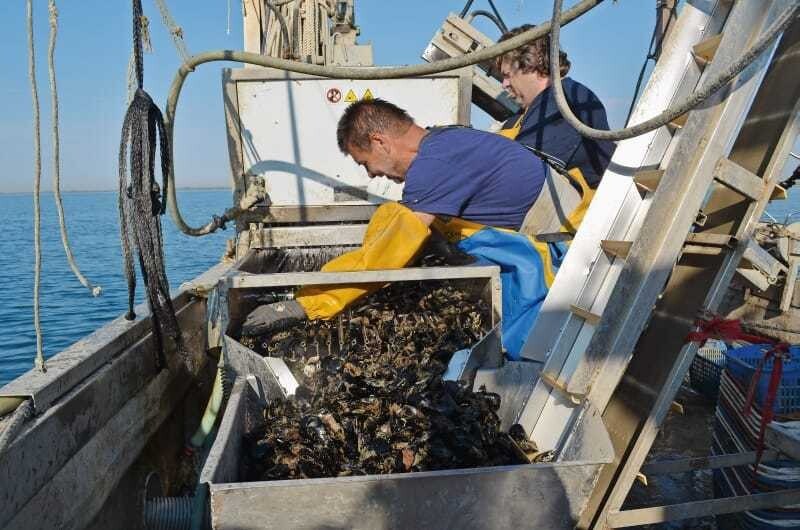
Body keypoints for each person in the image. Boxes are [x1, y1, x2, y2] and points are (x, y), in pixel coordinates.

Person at [243, 98, 577, 358]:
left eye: (364, 163)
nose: (371, 174)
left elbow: (385, 258)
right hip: (542, 239)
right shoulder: (444, 141)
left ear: (380, 142)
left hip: (558, 257)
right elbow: (393, 227)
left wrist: (307, 304)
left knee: (526, 347)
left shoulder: (434, 165)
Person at [495, 24, 616, 190]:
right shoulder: (533, 111)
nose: (504, 84)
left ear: (531, 65)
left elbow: (516, 176)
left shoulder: (561, 102)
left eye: (507, 75)